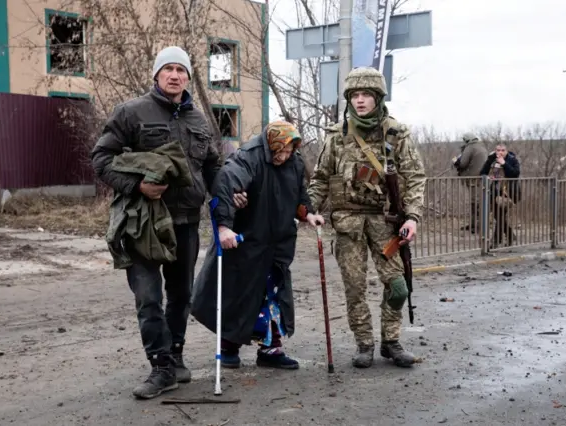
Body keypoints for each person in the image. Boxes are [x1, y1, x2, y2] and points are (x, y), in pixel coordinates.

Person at [91, 46, 247, 399]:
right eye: (169, 69)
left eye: (182, 70)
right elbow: (101, 158)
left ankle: (174, 357)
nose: (175, 75)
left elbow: (212, 168)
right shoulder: (131, 113)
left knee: (180, 296)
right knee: (148, 297)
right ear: (156, 75)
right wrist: (137, 185)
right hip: (142, 222)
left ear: (188, 77)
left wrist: (229, 194)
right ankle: (160, 366)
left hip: (186, 222)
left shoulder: (198, 120)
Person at [306, 67, 427, 369]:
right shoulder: (337, 136)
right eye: (355, 95)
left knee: (397, 285)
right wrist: (309, 210)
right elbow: (320, 178)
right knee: (355, 288)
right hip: (347, 225)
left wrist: (411, 216)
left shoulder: (396, 134)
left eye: (366, 95)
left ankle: (391, 341)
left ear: (378, 97)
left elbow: (414, 177)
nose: (360, 101)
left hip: (384, 223)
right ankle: (365, 344)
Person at [191, 121, 324, 370]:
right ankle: (228, 346)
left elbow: (299, 193)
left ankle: (271, 348)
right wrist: (223, 226)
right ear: (270, 143)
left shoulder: (293, 162)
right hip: (247, 240)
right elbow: (225, 185)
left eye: (288, 151)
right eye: (279, 151)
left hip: (277, 241)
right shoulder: (248, 157)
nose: (282, 156)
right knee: (238, 293)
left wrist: (308, 213)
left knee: (273, 294)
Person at [479, 143, 521, 248]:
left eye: (503, 150)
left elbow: (515, 174)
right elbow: (482, 172)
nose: (500, 152)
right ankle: (510, 236)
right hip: (496, 193)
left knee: (500, 215)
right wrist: (489, 177)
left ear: (506, 151)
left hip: (510, 193)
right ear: (495, 151)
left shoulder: (512, 159)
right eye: (498, 150)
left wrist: (504, 163)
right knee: (499, 216)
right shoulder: (492, 159)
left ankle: (496, 241)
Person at [453, 133, 488, 233]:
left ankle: (476, 226)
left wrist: (456, 163)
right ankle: (475, 224)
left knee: (475, 202)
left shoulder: (470, 147)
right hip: (481, 178)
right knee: (478, 201)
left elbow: (463, 163)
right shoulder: (481, 147)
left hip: (472, 178)